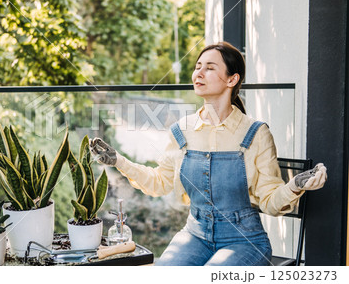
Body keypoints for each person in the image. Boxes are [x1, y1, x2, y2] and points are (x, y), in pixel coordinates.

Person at [89, 41, 327, 266]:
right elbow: (159, 183)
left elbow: (270, 202)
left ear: (232, 79)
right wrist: (119, 161)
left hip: (244, 241)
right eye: (197, 67)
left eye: (209, 68)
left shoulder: (255, 133)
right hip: (194, 235)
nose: (198, 73)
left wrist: (295, 184)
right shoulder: (181, 130)